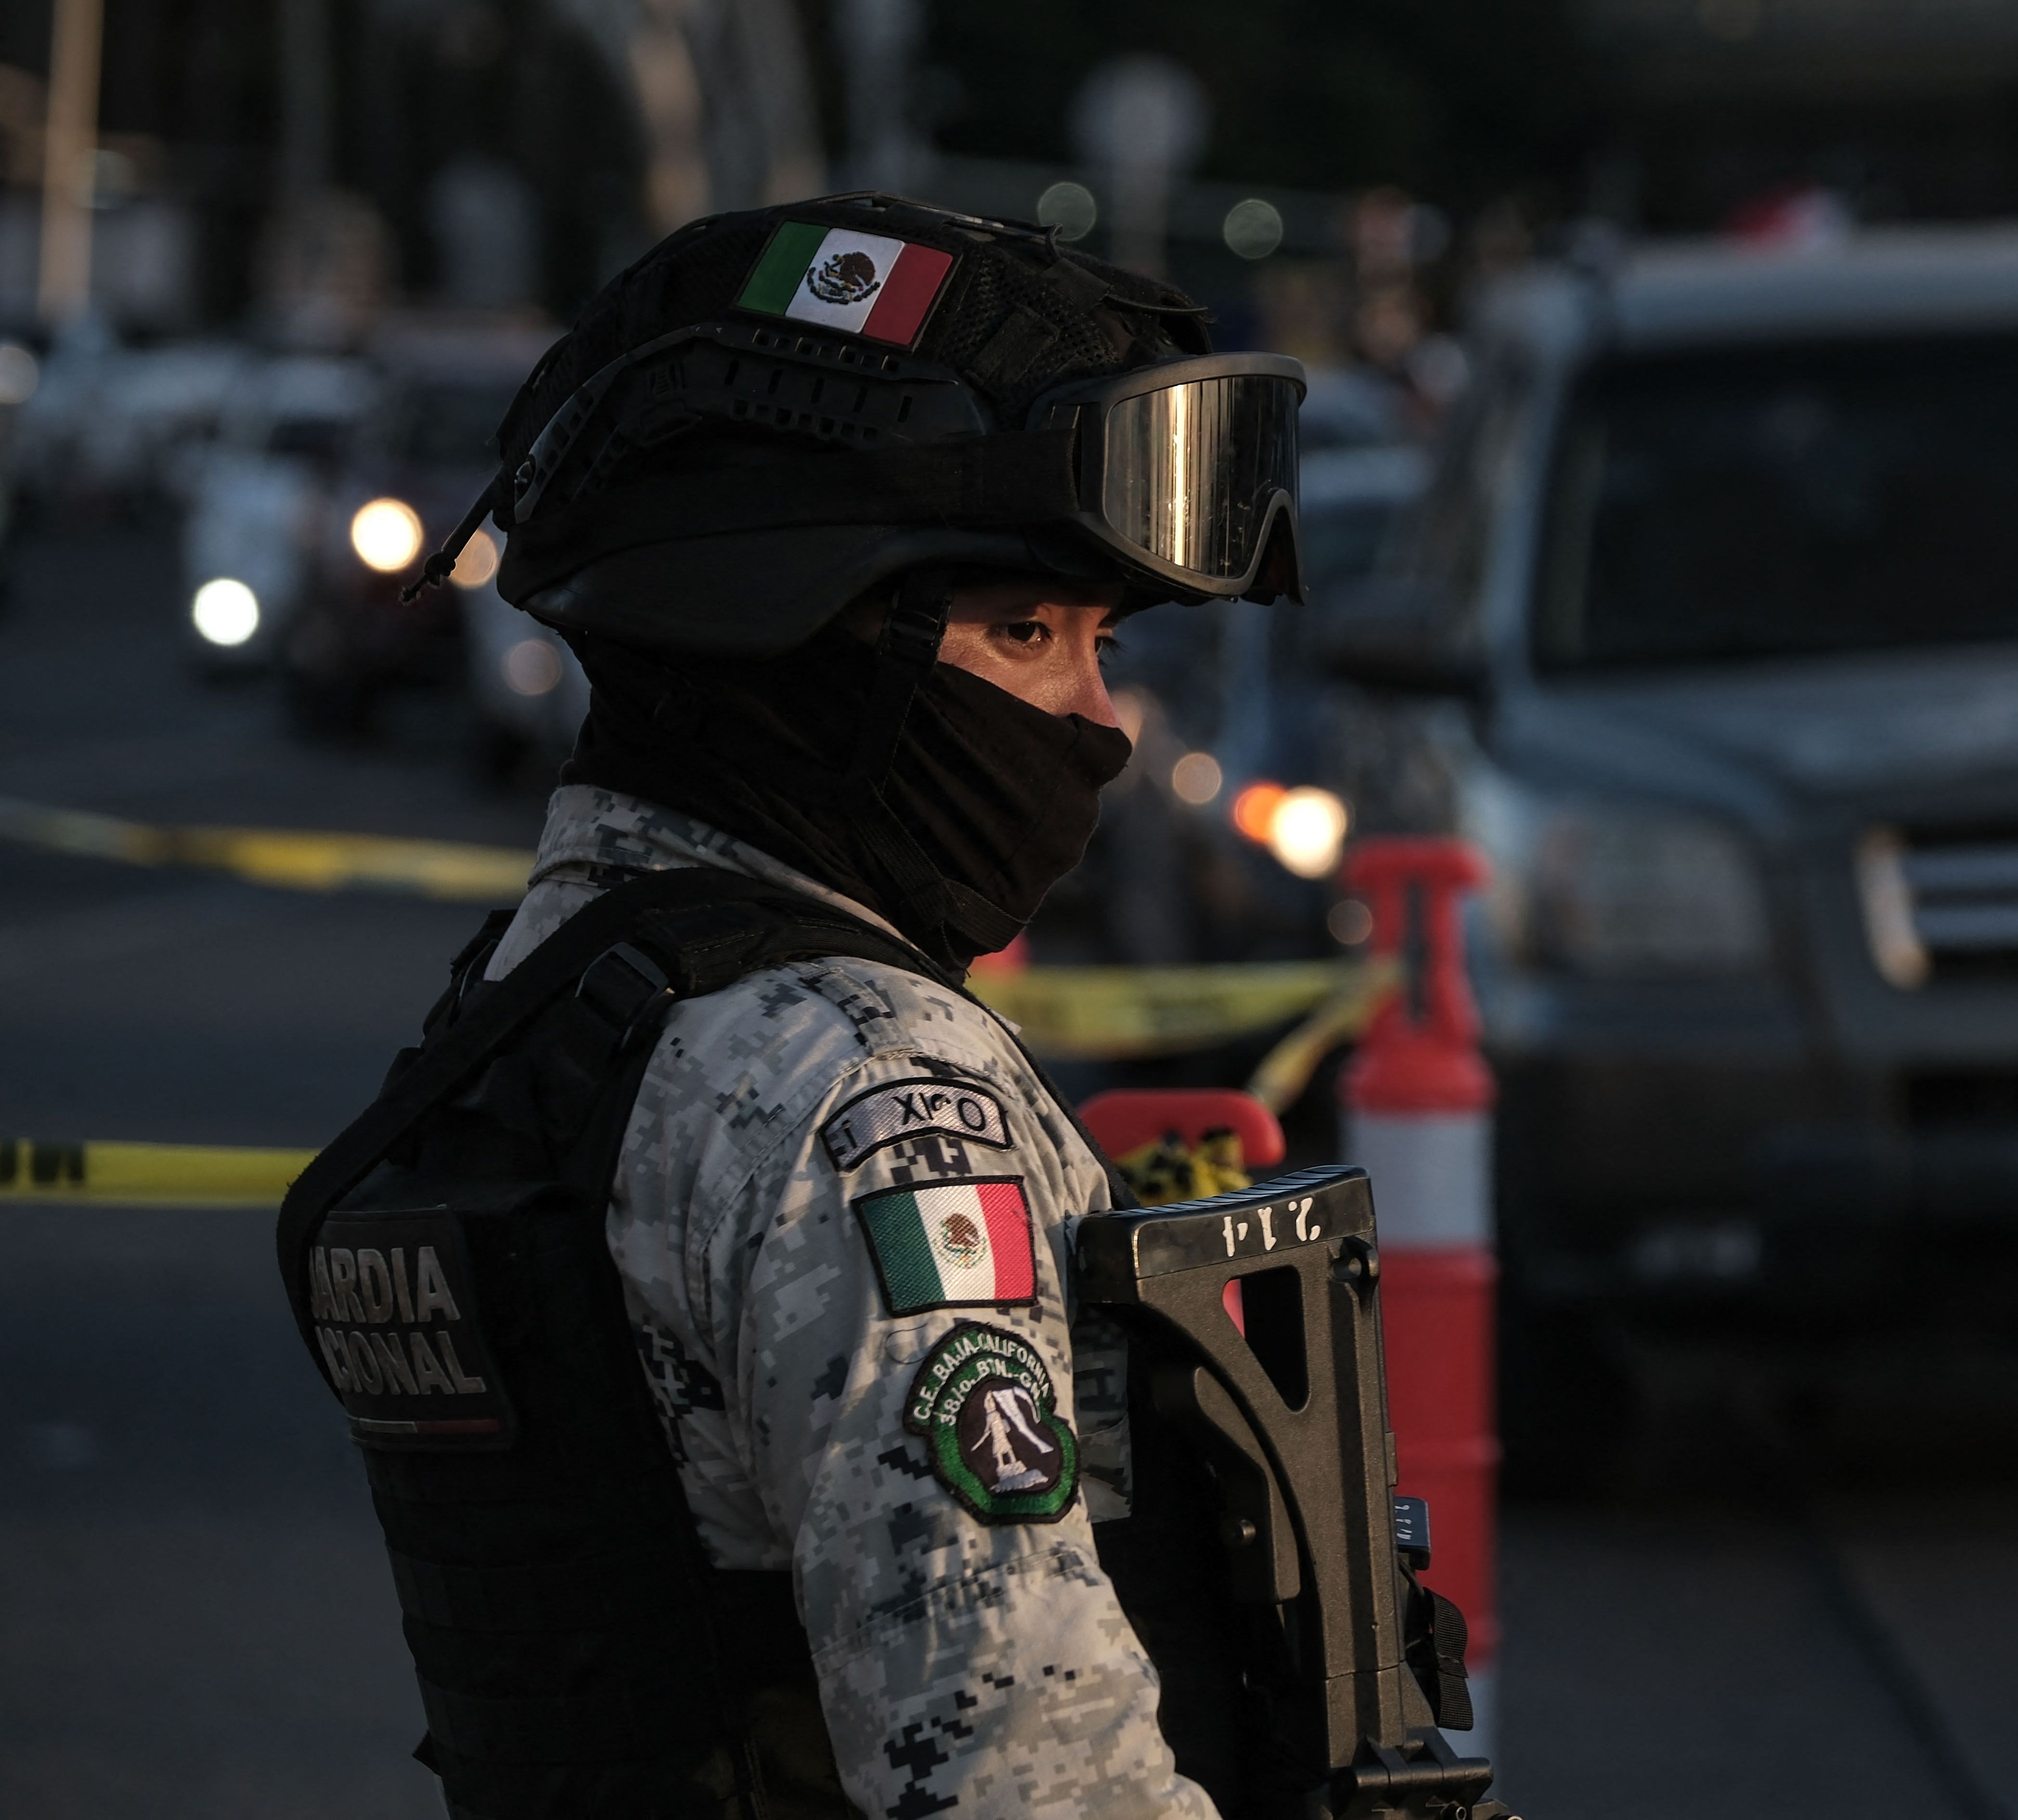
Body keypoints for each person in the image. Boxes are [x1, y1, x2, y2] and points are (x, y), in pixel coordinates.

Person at [280, 193, 1307, 1820]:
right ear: (805, 641)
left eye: (1101, 641)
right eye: (1028, 633)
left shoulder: (541, 1015)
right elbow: (1030, 1778)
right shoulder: (875, 1091)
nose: (1098, 719)